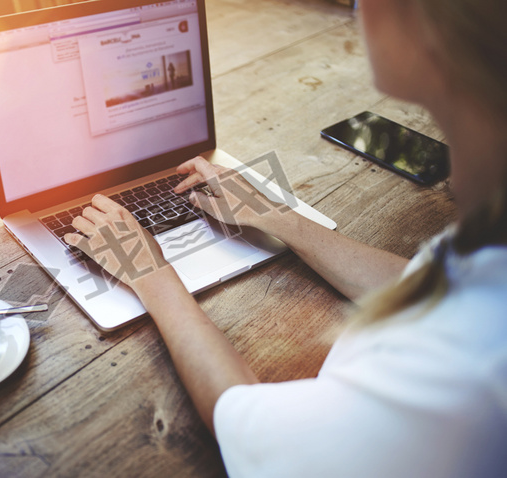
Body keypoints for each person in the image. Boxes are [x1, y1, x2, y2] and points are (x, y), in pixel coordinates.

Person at [65, 0, 507, 475]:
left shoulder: (464, 376)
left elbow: (245, 419)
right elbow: (428, 287)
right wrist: (279, 218)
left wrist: (150, 273)